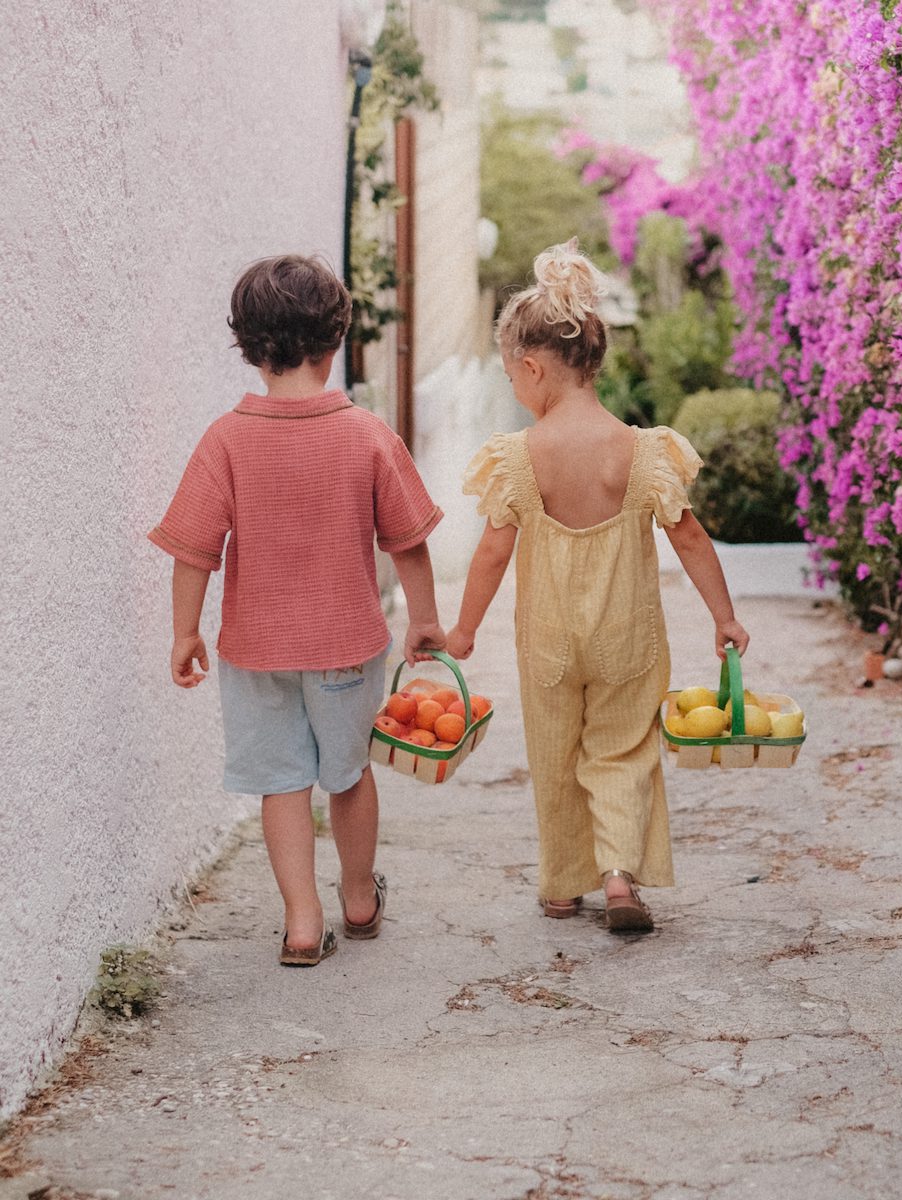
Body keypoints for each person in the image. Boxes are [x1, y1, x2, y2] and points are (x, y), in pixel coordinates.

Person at [148, 254, 445, 966]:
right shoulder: (367, 434)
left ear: (249, 347)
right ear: (336, 341)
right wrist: (425, 620)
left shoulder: (226, 438)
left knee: (281, 781)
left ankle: (303, 922)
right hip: (346, 642)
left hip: (255, 648)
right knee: (348, 773)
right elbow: (407, 540)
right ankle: (358, 896)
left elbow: (194, 547)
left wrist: (185, 631)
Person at [446, 241, 749, 933]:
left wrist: (463, 631)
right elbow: (690, 537)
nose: (516, 391)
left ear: (531, 369)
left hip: (549, 644)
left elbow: (494, 550)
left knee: (555, 755)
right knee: (622, 750)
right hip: (627, 636)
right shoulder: (641, 452)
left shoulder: (520, 459)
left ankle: (561, 885)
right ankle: (618, 874)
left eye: (513, 378)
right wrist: (723, 617)